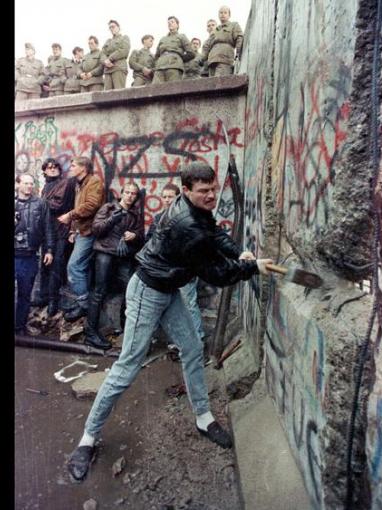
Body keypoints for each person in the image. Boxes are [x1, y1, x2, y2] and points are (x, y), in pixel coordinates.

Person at [66, 162, 273, 481]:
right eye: (203, 191)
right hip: (147, 291)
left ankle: (203, 418)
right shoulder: (184, 223)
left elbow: (214, 234)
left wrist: (240, 252)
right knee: (126, 368)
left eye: (213, 188)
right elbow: (217, 273)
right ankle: (87, 439)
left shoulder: (196, 209)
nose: (211, 195)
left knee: (192, 349)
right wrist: (252, 267)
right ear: (187, 190)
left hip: (169, 287)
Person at [85, 182, 145, 349]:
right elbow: (96, 229)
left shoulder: (135, 214)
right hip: (105, 253)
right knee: (99, 292)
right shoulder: (109, 208)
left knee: (130, 292)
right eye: (127, 192)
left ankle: (127, 334)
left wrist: (134, 235)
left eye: (133, 194)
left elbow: (142, 236)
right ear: (122, 193)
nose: (130, 196)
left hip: (124, 257)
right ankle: (90, 333)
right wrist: (113, 219)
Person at [146, 183, 204, 343]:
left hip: (184, 270)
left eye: (169, 196)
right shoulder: (159, 218)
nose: (166, 200)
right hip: (164, 271)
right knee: (167, 306)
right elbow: (149, 241)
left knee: (188, 306)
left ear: (178, 197)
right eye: (164, 197)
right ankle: (177, 343)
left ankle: (198, 342)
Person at [57, 157, 105, 325]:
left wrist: (69, 215)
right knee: (82, 269)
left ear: (84, 168)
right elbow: (82, 207)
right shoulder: (81, 183)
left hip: (89, 232)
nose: (70, 168)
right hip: (81, 231)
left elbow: (91, 205)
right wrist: (73, 230)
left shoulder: (94, 182)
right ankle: (84, 306)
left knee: (74, 266)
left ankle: (84, 305)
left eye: (74, 165)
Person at [14, 174, 56, 335]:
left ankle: (19, 329)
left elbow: (48, 228)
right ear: (18, 184)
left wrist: (50, 250)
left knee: (25, 294)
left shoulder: (40, 203)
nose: (29, 186)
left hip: (29, 255)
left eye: (31, 184)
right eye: (25, 183)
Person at [35, 159, 77, 316]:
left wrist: (40, 203)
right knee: (44, 264)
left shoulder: (64, 183)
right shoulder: (46, 186)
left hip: (60, 230)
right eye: (49, 167)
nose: (52, 169)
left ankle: (53, 300)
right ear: (44, 171)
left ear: (60, 170)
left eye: (55, 167)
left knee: (56, 265)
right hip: (46, 230)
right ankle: (43, 296)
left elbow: (58, 205)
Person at [200, 6, 244, 77]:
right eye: (221, 13)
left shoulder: (234, 25)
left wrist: (238, 52)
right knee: (212, 84)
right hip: (212, 60)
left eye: (225, 13)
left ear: (229, 15)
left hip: (225, 58)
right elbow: (207, 46)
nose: (222, 14)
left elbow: (239, 38)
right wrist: (202, 58)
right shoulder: (215, 30)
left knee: (220, 82)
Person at [152, 16, 195, 84]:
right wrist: (157, 64)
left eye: (172, 22)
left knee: (172, 89)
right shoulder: (163, 39)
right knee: (155, 89)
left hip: (174, 66)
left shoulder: (181, 36)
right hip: (160, 67)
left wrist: (179, 59)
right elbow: (156, 56)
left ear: (177, 25)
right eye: (168, 23)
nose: (170, 24)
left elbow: (191, 53)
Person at [101, 20, 130, 90]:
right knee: (107, 95)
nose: (111, 29)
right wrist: (105, 61)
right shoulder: (108, 41)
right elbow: (102, 54)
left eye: (113, 27)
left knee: (119, 93)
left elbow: (124, 51)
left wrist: (109, 59)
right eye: (110, 28)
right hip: (108, 70)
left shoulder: (124, 38)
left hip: (118, 68)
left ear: (118, 27)